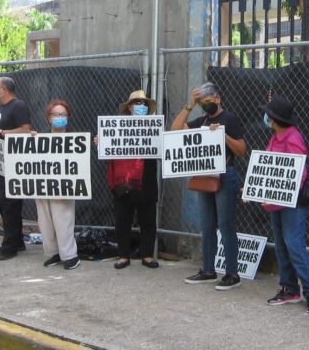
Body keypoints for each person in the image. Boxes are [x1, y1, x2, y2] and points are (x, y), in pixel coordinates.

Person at [171, 82, 247, 290]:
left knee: (226, 225)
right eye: (201, 103)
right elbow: (175, 130)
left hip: (225, 175)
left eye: (208, 101)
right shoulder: (202, 120)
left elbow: (241, 149)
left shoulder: (229, 119)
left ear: (217, 98)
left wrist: (223, 135)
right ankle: (208, 270)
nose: (206, 105)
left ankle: (232, 273)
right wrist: (189, 105)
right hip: (205, 175)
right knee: (207, 225)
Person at [259, 95, 309, 313]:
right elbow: (268, 167)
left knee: (294, 244)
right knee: (282, 245)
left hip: (292, 202)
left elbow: (299, 172)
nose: (266, 117)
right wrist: (257, 189)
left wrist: (280, 192)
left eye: (268, 114)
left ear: (274, 119)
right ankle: (290, 288)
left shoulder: (292, 137)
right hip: (275, 201)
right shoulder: (276, 136)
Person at [96, 90, 160, 270]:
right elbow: (108, 148)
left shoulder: (154, 127)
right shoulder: (116, 127)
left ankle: (147, 255)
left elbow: (163, 147)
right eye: (137, 103)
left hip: (147, 178)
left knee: (148, 219)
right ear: (130, 107)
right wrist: (101, 142)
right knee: (122, 219)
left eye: (144, 104)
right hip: (123, 181)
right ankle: (123, 255)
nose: (141, 107)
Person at [0, 76, 32, 261]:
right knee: (3, 206)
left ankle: (10, 246)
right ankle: (16, 240)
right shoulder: (3, 109)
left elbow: (26, 130)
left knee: (10, 205)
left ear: (4, 89)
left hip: (12, 165)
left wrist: (0, 133)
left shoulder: (18, 106)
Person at [33, 100, 80, 270]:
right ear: (49, 118)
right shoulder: (40, 138)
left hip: (64, 187)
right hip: (42, 187)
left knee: (63, 221)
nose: (59, 117)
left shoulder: (76, 140)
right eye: (56, 114)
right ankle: (54, 253)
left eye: (63, 114)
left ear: (68, 117)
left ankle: (70, 256)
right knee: (45, 222)